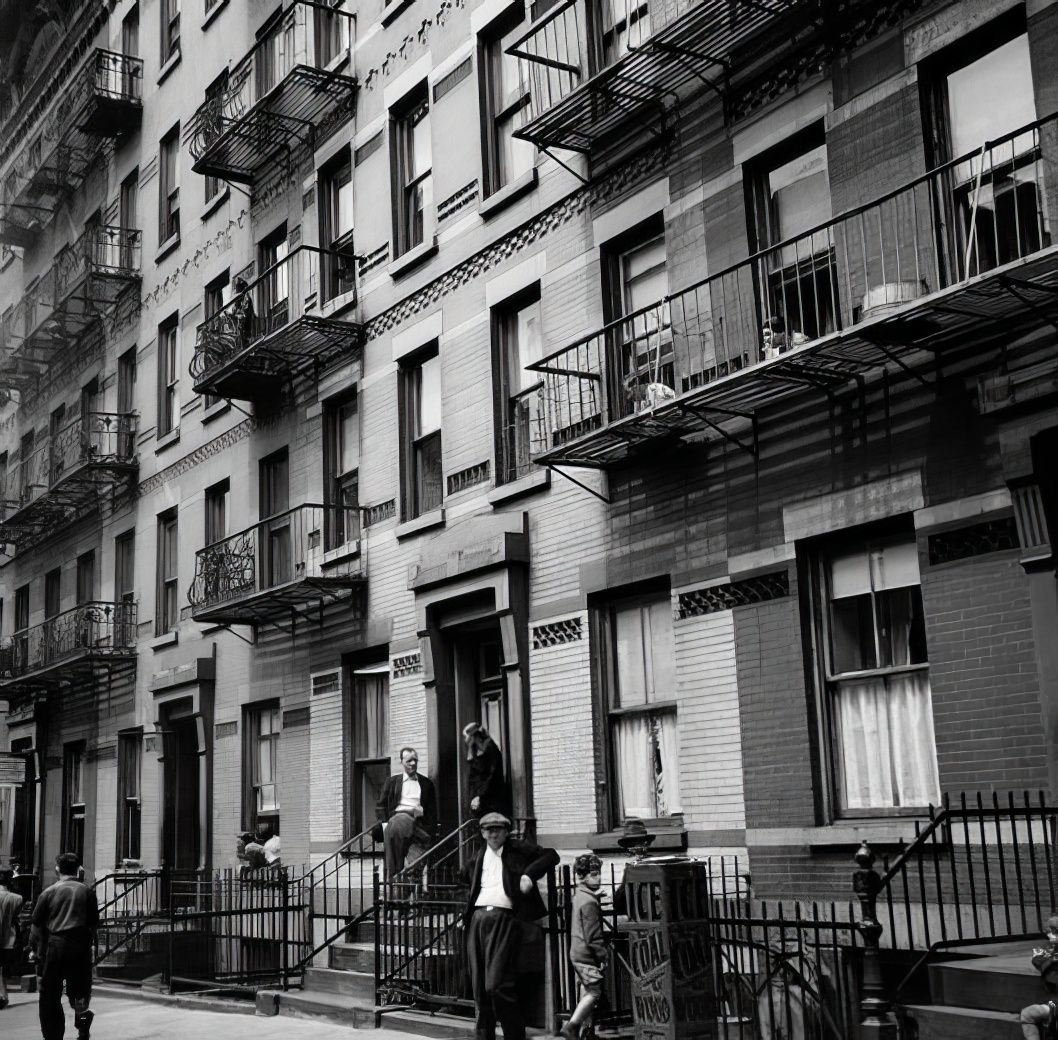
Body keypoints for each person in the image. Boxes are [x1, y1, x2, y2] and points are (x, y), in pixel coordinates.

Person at [462, 812, 559, 1040]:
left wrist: (528, 875)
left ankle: (514, 1036)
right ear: (482, 833)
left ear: (506, 832)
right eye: (488, 830)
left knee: (496, 985)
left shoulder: (517, 849)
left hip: (503, 921)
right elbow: (466, 880)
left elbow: (551, 855)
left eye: (498, 830)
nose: (493, 834)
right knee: (479, 990)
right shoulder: (478, 856)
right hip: (478, 920)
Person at [32, 852, 99, 1040]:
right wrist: (91, 946)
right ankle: (83, 1027)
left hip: (56, 947)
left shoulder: (48, 892)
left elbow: (37, 927)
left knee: (49, 995)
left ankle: (53, 1035)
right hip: (80, 947)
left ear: (57, 870)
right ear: (79, 870)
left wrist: (37, 951)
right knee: (80, 993)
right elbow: (93, 925)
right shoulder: (87, 892)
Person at [562, 854, 607, 1040]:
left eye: (599, 874)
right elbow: (593, 935)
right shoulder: (589, 902)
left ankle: (586, 1032)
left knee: (586, 990)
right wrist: (603, 956)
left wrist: (595, 897)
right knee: (594, 992)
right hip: (587, 954)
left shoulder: (580, 895)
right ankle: (572, 1026)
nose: (599, 878)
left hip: (577, 951)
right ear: (583, 876)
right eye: (594, 874)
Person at [376, 747, 437, 879]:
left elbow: (432, 812)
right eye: (409, 761)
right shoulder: (391, 782)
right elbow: (380, 806)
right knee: (397, 822)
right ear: (402, 762)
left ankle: (392, 879)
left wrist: (429, 829)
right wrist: (385, 824)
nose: (413, 763)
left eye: (415, 760)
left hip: (417, 823)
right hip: (395, 821)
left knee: (399, 822)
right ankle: (398, 878)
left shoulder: (426, 784)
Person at [462, 723, 511, 820]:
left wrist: (479, 796)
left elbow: (490, 776)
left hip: (490, 800)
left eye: (467, 737)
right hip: (481, 800)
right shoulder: (477, 750)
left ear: (474, 736)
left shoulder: (490, 748)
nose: (466, 741)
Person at [1021, 913, 1058, 1038]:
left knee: (1027, 1014)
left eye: (1055, 931)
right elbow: (1038, 958)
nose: (1050, 935)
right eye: (1048, 931)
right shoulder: (1050, 949)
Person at [0, 867, 25, 1011]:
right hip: (8, 939)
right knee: (3, 968)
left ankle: (2, 995)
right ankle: (3, 995)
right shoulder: (17, 898)